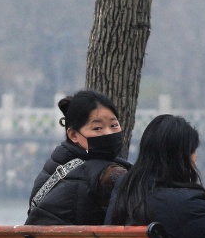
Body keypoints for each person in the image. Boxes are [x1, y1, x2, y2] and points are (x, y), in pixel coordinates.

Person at [26, 89, 129, 225]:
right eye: (97, 128)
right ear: (73, 135)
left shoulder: (57, 164)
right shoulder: (107, 174)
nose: (108, 132)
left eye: (114, 125)